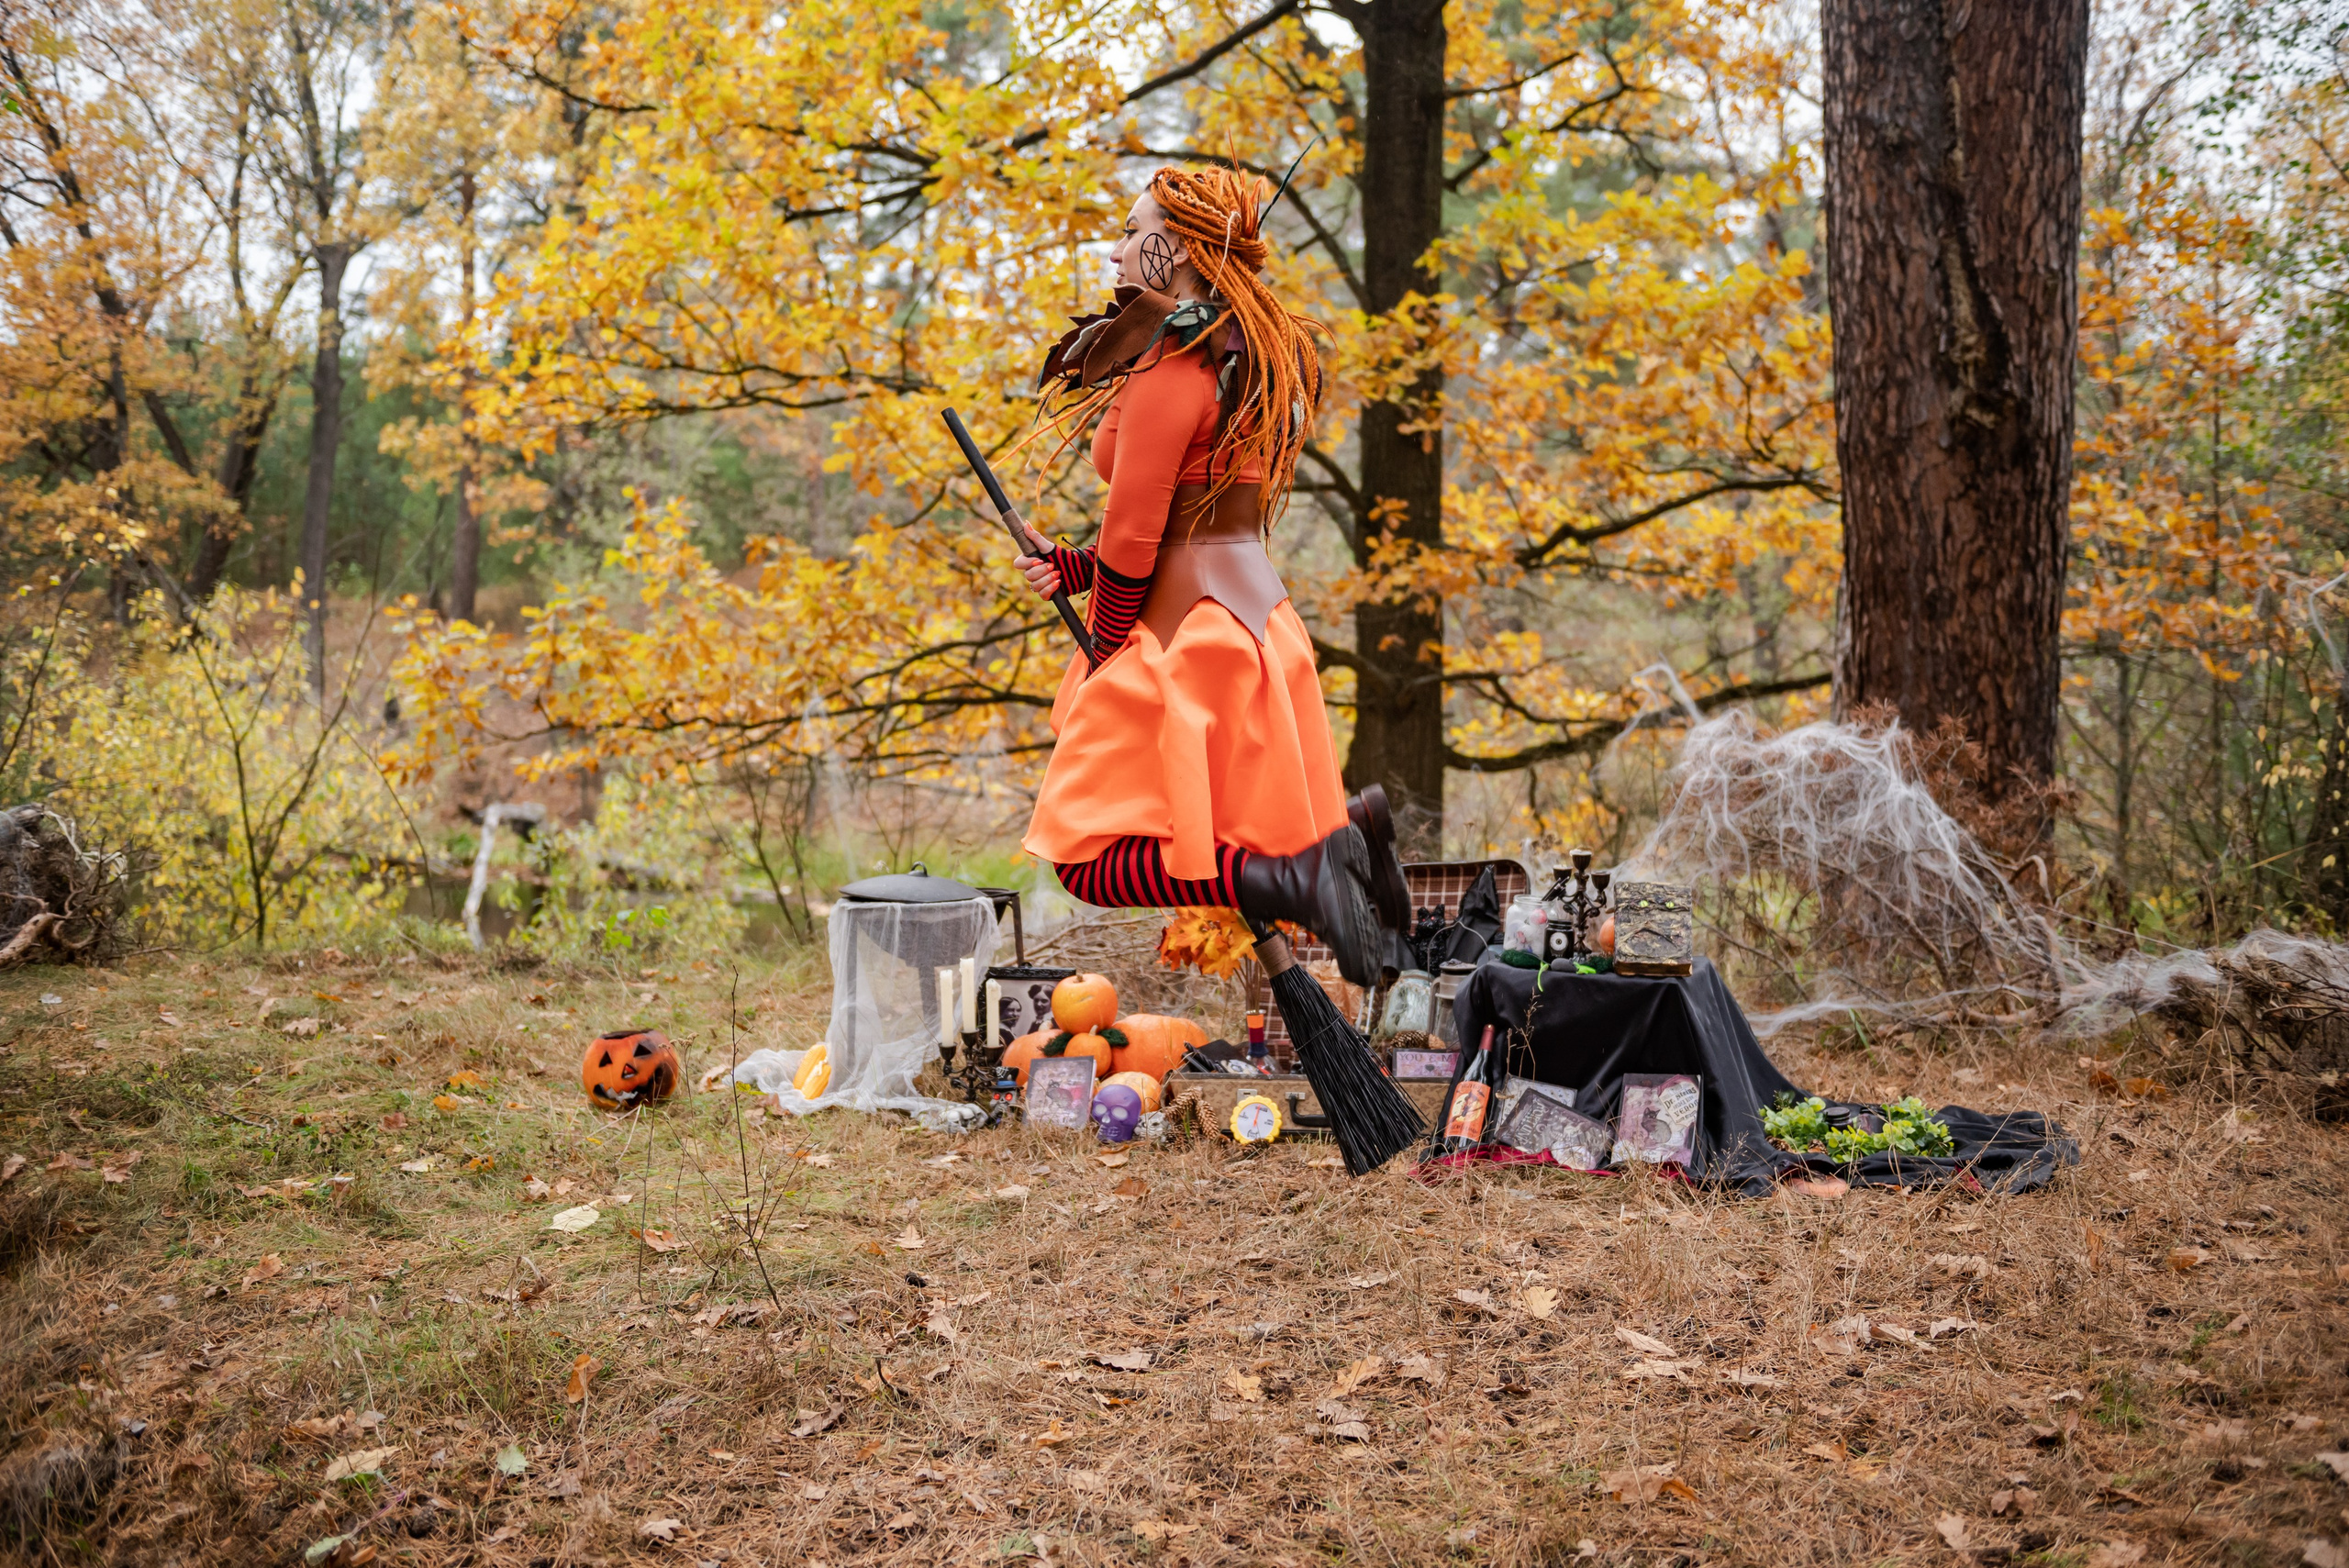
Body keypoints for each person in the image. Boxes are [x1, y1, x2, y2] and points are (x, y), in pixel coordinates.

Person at [1005, 165, 1407, 986]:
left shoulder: (1173, 367)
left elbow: (1137, 530)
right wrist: (1075, 568)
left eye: (1131, 231)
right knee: (1220, 826)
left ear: (1181, 247)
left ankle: (1301, 879)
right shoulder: (1236, 357)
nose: (1116, 251)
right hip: (1249, 616)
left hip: (1180, 629)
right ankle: (1344, 840)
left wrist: (1108, 642)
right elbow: (1203, 508)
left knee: (1086, 855)